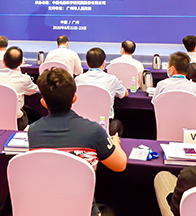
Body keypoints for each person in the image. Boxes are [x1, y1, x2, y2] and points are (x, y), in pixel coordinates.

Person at [29, 68, 127, 216]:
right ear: (74, 98)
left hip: (44, 209)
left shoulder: (33, 131)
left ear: (43, 103)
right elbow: (120, 165)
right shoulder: (94, 131)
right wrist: (115, 143)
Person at [76, 47, 127, 136]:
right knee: (117, 124)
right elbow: (124, 93)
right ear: (104, 63)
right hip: (104, 126)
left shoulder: (77, 80)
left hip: (80, 125)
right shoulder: (112, 80)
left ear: (87, 64)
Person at [0, 46, 39, 130]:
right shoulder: (24, 79)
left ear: (3, 61)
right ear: (21, 63)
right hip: (16, 122)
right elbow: (34, 90)